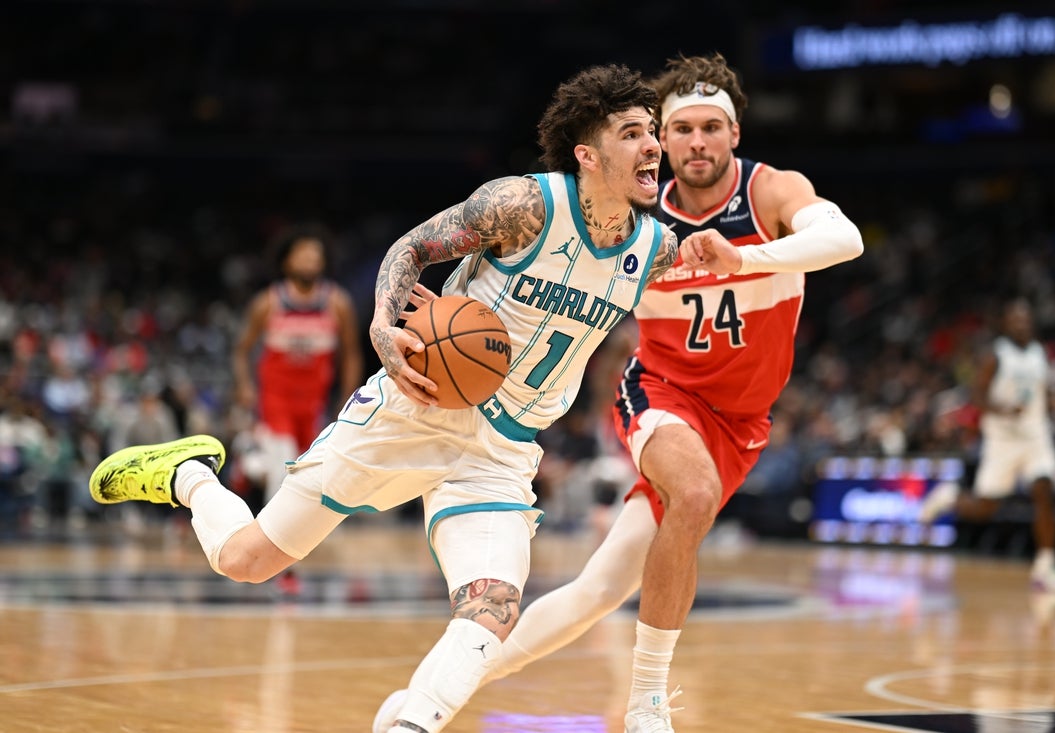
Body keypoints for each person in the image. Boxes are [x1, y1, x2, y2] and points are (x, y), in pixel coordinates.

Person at [89, 62, 678, 733]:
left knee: (491, 607)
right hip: (417, 405)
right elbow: (413, 248)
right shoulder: (524, 205)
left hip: (502, 447)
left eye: (653, 131)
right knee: (247, 560)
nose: (652, 145)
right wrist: (381, 323)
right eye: (632, 133)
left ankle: (409, 724)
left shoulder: (656, 249)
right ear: (588, 154)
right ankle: (190, 477)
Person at [372, 52, 863, 733]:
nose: (696, 142)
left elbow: (844, 238)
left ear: (734, 133)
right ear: (661, 138)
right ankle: (647, 705)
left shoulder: (770, 193)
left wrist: (743, 257)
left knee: (598, 590)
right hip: (661, 391)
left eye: (710, 128)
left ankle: (424, 697)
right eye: (681, 129)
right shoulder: (638, 213)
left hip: (741, 421)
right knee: (693, 492)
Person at [920, 298, 1055, 593]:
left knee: (1044, 490)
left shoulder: (1040, 354)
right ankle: (950, 497)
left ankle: (1045, 566)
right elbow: (976, 395)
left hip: (1035, 436)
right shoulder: (996, 355)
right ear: (1005, 324)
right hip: (1002, 440)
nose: (1021, 324)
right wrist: (1003, 410)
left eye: (1025, 319)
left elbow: (1043, 393)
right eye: (1015, 319)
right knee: (986, 507)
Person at [232, 227, 364, 503]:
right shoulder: (268, 302)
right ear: (287, 261)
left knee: (312, 468)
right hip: (276, 398)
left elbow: (351, 354)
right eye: (302, 255)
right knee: (283, 462)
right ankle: (272, 521)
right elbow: (241, 350)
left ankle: (251, 467)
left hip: (315, 400)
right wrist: (245, 385)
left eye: (315, 256)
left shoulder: (337, 303)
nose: (309, 261)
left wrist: (348, 397)